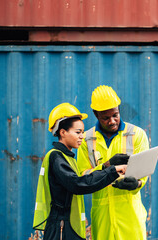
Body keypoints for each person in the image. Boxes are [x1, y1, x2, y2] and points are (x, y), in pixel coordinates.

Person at [33, 103, 129, 240]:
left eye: (82, 132)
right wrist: (112, 171)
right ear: (62, 132)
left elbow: (82, 180)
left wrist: (107, 167)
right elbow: (78, 184)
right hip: (61, 228)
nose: (82, 136)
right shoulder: (56, 157)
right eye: (78, 132)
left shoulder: (67, 158)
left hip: (67, 225)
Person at [77, 85, 150, 240]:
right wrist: (106, 165)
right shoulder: (86, 140)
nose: (112, 121)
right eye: (105, 118)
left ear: (118, 109)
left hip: (130, 214)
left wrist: (136, 184)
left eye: (115, 115)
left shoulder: (137, 135)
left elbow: (144, 172)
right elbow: (83, 176)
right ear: (95, 114)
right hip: (102, 216)